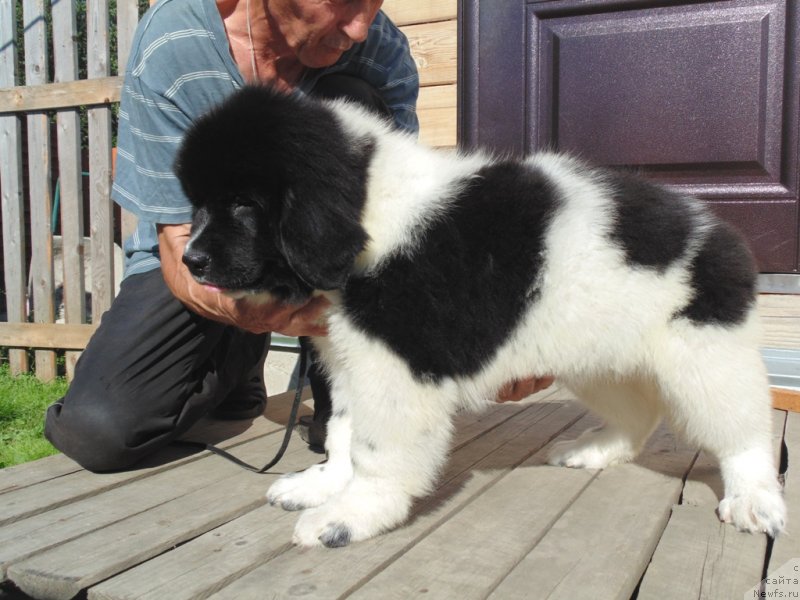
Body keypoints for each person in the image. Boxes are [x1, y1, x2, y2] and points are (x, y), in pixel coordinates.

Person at [44, 0, 551, 473]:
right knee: (100, 432)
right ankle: (236, 360)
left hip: (329, 258)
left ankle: (317, 399)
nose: (359, 28)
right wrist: (251, 312)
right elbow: (178, 242)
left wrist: (487, 325)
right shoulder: (176, 45)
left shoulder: (379, 49)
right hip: (201, 257)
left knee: (353, 100)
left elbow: (404, 224)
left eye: (372, 4)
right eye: (343, 1)